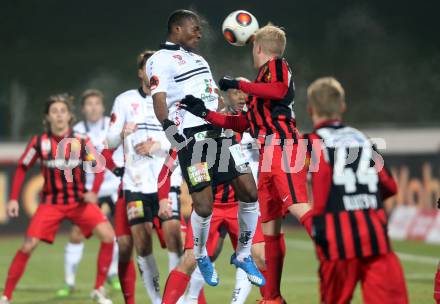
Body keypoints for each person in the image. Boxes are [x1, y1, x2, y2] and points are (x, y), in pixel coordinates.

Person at [181, 24, 312, 302]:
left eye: (253, 48)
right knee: (268, 235)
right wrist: (205, 112)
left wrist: (238, 84)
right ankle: (273, 298)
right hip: (267, 156)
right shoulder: (258, 91)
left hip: (283, 146)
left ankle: (331, 243)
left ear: (258, 48)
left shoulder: (277, 66)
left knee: (297, 205)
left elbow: (278, 90)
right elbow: (242, 123)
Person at [147, 9, 263, 288]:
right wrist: (172, 133)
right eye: (194, 27)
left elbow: (211, 95)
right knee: (204, 204)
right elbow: (159, 99)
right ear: (177, 29)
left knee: (249, 190)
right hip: (192, 137)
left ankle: (244, 254)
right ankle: (200, 254)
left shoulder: (198, 58)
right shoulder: (159, 59)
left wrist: (228, 114)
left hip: (220, 133)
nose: (199, 32)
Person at [1, 94, 115, 304]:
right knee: (28, 245)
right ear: (47, 117)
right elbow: (22, 167)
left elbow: (99, 167)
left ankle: (98, 289)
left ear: (70, 116)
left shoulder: (80, 141)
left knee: (109, 236)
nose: (59, 115)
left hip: (79, 202)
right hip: (51, 204)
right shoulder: (39, 142)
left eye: (63, 111)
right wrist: (14, 199)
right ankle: (6, 295)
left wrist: (94, 191)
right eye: (54, 111)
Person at [304, 77, 408, 303]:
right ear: (342, 107)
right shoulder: (362, 139)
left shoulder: (314, 142)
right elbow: (390, 185)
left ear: (310, 109)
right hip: (375, 238)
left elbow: (321, 190)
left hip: (337, 244)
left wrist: (317, 227)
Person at [106, 50, 175, 304]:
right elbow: (109, 141)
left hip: (167, 184)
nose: (152, 72)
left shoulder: (172, 100)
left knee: (176, 242)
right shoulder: (124, 101)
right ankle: (157, 300)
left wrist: (158, 146)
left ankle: (179, 299)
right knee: (142, 245)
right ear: (140, 72)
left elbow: (183, 142)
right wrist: (123, 133)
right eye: (148, 68)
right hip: (135, 185)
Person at [157, 151, 265, 304]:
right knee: (191, 259)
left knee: (261, 257)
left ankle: (270, 299)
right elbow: (166, 170)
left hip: (239, 206)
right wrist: (162, 199)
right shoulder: (186, 136)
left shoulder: (237, 132)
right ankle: (190, 299)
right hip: (208, 207)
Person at [56, 89, 121, 297]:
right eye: (89, 104)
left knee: (115, 233)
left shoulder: (113, 125)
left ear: (103, 107)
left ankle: (111, 274)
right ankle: (69, 282)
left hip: (113, 186)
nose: (93, 107)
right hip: (87, 191)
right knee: (76, 234)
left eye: (97, 103)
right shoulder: (76, 131)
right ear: (83, 109)